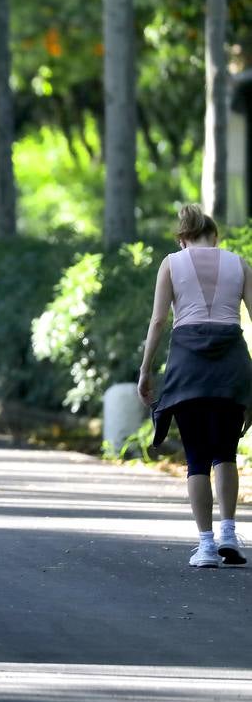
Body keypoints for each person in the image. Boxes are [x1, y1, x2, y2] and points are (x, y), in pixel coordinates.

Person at [138, 204, 251, 568]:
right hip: (231, 365)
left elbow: (158, 321)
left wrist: (146, 370)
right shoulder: (240, 264)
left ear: (183, 239)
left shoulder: (172, 263)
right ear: (214, 236)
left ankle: (205, 546)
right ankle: (230, 534)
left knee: (197, 459)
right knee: (226, 453)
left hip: (188, 367)